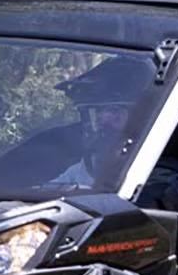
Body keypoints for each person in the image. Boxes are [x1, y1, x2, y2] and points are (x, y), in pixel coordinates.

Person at [49, 58, 149, 189]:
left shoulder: (151, 170)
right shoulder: (85, 167)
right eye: (98, 112)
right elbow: (46, 193)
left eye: (115, 112)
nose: (103, 120)